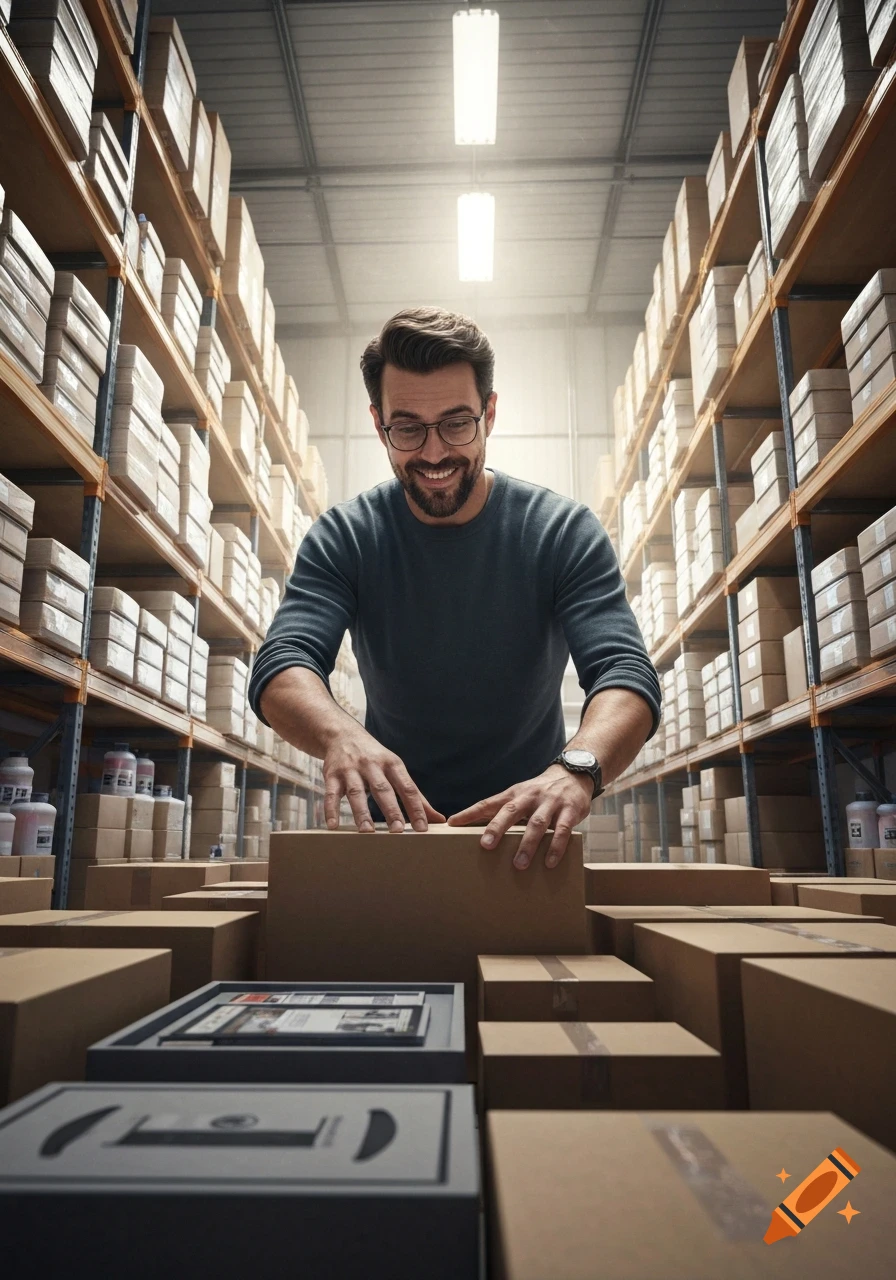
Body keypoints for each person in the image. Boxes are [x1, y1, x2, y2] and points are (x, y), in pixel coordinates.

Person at [249, 308, 661, 870]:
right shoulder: (347, 535)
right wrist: (338, 734)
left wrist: (577, 769)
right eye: (408, 428)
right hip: (394, 834)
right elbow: (283, 662)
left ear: (489, 413)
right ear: (379, 425)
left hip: (530, 837)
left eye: (457, 423)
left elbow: (624, 672)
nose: (435, 452)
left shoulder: (562, 531)